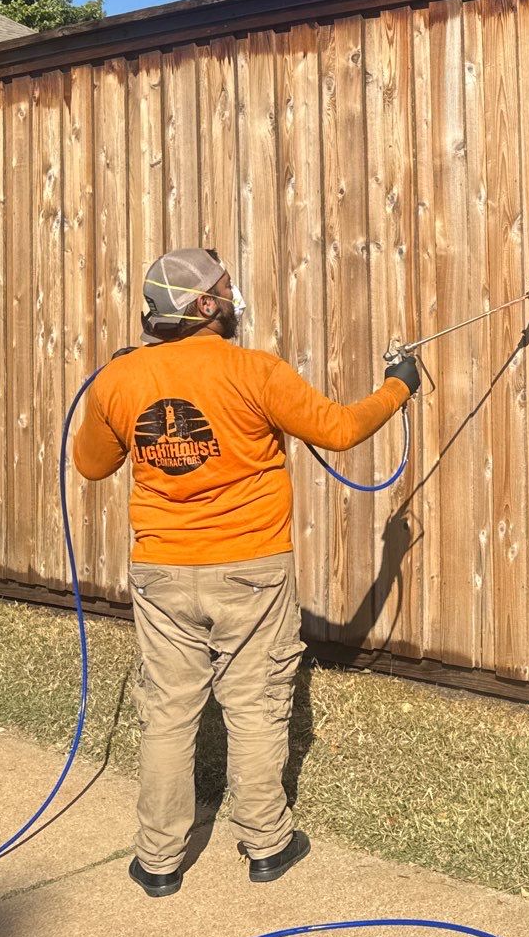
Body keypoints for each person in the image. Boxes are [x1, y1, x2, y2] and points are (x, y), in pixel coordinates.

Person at [73, 247, 422, 897]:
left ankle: (157, 860)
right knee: (256, 707)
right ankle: (266, 844)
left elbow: (92, 466)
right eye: (226, 290)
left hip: (162, 573)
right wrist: (399, 386)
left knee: (170, 713)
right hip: (250, 569)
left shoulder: (118, 380)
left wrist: (116, 391)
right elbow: (341, 431)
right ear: (204, 306)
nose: (235, 299)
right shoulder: (253, 370)